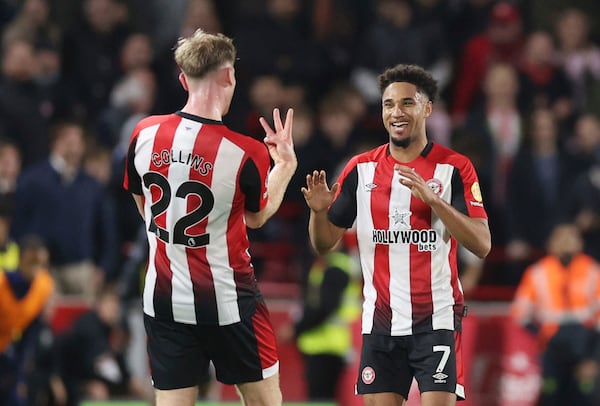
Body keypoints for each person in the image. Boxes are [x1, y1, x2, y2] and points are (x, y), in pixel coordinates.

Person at [123, 29, 297, 406]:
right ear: (230, 75)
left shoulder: (144, 132)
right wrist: (284, 165)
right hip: (230, 300)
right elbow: (258, 216)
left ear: (184, 79)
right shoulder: (245, 152)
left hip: (165, 298)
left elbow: (144, 205)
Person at [301, 63, 491, 406]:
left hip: (436, 320)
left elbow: (482, 244)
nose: (396, 112)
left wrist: (436, 202)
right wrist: (318, 212)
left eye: (407, 103)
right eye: (388, 104)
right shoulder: (360, 169)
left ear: (427, 108)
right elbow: (324, 244)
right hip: (381, 323)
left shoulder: (455, 168)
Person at [511, 223, 600, 405]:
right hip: (552, 342)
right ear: (550, 243)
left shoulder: (592, 270)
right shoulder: (537, 272)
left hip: (584, 341)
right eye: (561, 237)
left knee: (585, 394)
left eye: (572, 237)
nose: (567, 242)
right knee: (551, 394)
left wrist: (593, 356)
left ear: (580, 243)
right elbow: (520, 313)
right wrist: (541, 336)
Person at [278, 235, 362, 402]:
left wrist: (295, 329)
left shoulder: (335, 268)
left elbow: (323, 308)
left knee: (320, 398)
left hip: (326, 346)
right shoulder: (327, 265)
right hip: (327, 345)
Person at [0, 235, 54, 405]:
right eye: (32, 263)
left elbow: (32, 329)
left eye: (42, 264)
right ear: (21, 260)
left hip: (12, 351)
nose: (37, 270)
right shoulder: (2, 284)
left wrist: (20, 374)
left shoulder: (43, 286)